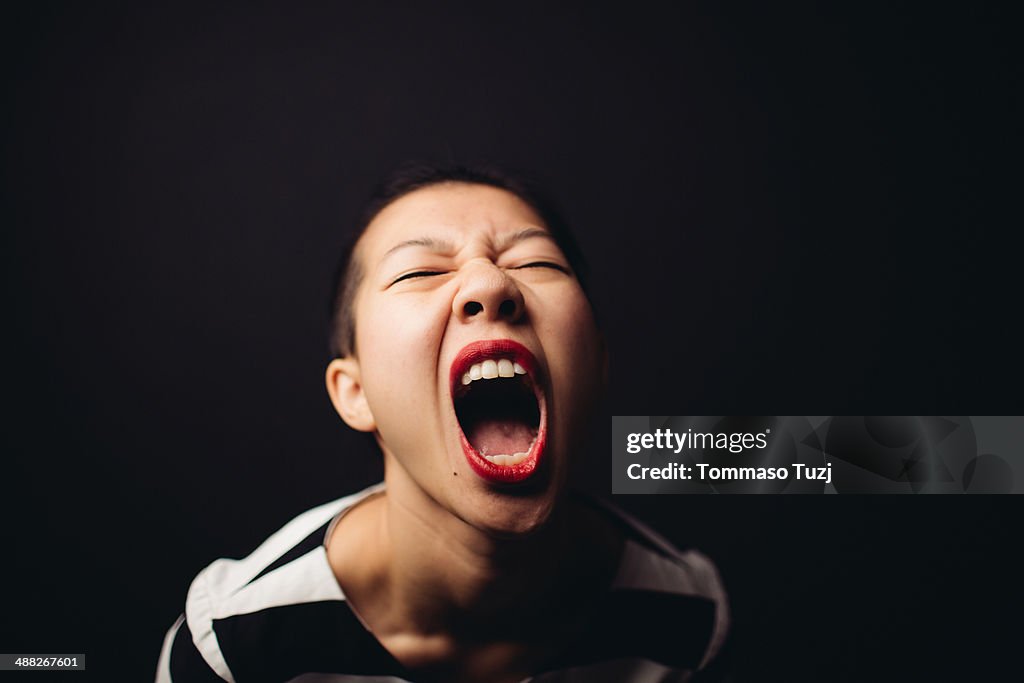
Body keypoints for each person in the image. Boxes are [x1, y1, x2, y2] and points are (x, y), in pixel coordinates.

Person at [156, 163, 730, 682]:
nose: (490, 284)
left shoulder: (689, 620)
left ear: (598, 365)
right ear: (355, 394)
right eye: (419, 272)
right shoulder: (233, 646)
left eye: (535, 263)